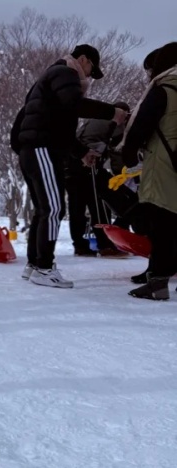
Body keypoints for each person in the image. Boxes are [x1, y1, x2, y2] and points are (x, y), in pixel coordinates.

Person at [12, 44, 127, 288]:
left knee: (44, 210)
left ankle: (34, 265)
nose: (89, 77)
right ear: (83, 59)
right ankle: (44, 267)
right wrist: (112, 112)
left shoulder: (50, 78)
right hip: (41, 149)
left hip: (34, 149)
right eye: (91, 70)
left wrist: (82, 152)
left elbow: (60, 128)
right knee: (53, 209)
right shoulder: (64, 73)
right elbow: (74, 106)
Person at [121, 42, 177, 300]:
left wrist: (128, 154)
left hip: (164, 163)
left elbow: (140, 126)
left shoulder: (164, 90)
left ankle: (158, 281)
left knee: (161, 221)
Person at [64, 102, 132, 258]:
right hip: (89, 163)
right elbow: (117, 151)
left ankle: (80, 246)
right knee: (99, 203)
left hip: (70, 164)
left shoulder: (95, 118)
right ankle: (105, 245)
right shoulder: (116, 120)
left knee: (76, 207)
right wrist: (120, 174)